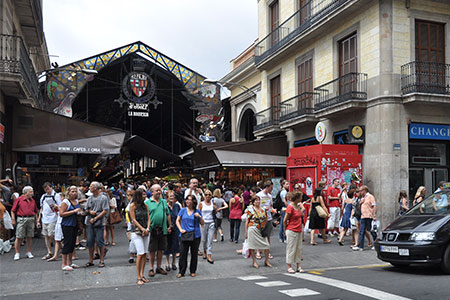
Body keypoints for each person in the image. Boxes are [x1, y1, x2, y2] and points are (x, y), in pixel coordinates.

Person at [145, 184, 172, 277]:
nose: (158, 192)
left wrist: (170, 225)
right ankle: (151, 268)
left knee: (160, 249)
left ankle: (159, 267)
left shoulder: (164, 202)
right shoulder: (147, 203)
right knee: (152, 250)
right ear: (152, 192)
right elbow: (146, 217)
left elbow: (168, 214)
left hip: (163, 229)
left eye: (159, 190)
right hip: (152, 229)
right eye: (156, 190)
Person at [176, 195, 205, 278]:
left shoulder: (197, 211)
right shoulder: (182, 210)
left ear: (193, 201)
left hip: (195, 235)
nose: (187, 201)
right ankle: (181, 271)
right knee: (182, 254)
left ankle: (193, 270)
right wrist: (180, 229)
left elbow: (202, 223)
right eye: (187, 200)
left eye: (189, 200)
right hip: (184, 234)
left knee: (194, 254)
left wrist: (199, 217)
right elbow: (177, 221)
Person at [84, 181, 109, 268]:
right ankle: (90, 260)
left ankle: (101, 260)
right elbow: (86, 210)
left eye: (91, 186)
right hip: (89, 222)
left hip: (99, 222)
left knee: (100, 241)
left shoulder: (103, 198)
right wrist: (89, 211)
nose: (89, 187)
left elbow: (105, 210)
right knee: (90, 241)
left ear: (95, 188)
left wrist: (95, 218)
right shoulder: (90, 198)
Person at [129, 188, 151, 285]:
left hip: (145, 231)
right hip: (136, 232)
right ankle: (138, 276)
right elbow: (133, 219)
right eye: (143, 194)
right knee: (140, 252)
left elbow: (149, 218)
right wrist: (142, 229)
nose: (145, 196)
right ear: (138, 195)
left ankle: (142, 274)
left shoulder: (145, 205)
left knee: (145, 253)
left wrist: (148, 228)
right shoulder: (132, 206)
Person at [11, 186, 39, 260]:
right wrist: (13, 219)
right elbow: (13, 210)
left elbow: (36, 211)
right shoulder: (19, 199)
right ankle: (17, 252)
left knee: (29, 236)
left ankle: (28, 251)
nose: (32, 193)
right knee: (19, 236)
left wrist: (37, 220)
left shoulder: (32, 200)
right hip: (22, 219)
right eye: (30, 192)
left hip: (30, 218)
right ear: (26, 192)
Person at [245, 195, 271, 269]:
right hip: (252, 228)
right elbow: (247, 221)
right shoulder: (250, 209)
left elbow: (266, 218)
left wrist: (264, 225)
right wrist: (246, 232)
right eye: (256, 200)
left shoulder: (263, 209)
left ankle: (266, 261)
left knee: (267, 245)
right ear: (253, 202)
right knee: (252, 246)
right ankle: (254, 261)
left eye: (259, 200)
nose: (258, 202)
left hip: (261, 229)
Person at [59, 186, 82, 271]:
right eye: (72, 191)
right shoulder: (65, 202)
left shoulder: (76, 201)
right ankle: (64, 264)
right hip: (67, 225)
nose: (74, 193)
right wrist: (74, 212)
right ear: (68, 192)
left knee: (72, 244)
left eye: (76, 191)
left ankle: (70, 262)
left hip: (74, 225)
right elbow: (61, 213)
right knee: (67, 243)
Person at [38, 182, 61, 260]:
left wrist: (55, 207)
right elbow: (41, 208)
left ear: (51, 187)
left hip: (53, 218)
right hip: (45, 218)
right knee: (46, 235)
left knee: (52, 235)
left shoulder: (56, 196)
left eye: (48, 188)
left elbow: (60, 206)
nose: (47, 190)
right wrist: (39, 219)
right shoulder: (43, 196)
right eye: (45, 189)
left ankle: (57, 250)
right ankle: (49, 252)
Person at [283, 191, 305, 273]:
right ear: (297, 198)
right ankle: (289, 266)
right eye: (300, 197)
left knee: (298, 248)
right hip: (291, 229)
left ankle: (298, 265)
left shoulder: (297, 206)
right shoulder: (290, 207)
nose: (301, 199)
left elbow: (300, 215)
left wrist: (302, 209)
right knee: (291, 248)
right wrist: (286, 229)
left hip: (298, 229)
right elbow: (285, 220)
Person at [353, 185, 376, 251]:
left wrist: (374, 214)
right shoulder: (363, 197)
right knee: (362, 231)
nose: (360, 192)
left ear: (364, 190)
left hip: (369, 216)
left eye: (361, 191)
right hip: (363, 216)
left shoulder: (370, 197)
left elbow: (374, 205)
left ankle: (375, 242)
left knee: (371, 231)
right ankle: (360, 246)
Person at [256, 180, 275, 258]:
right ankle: (258, 251)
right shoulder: (259, 195)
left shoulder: (270, 196)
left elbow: (271, 206)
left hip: (268, 217)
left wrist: (272, 209)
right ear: (267, 187)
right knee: (259, 234)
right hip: (260, 217)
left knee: (267, 235)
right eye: (271, 188)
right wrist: (263, 209)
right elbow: (255, 206)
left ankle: (267, 251)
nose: (272, 189)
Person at [164, 190, 181, 271]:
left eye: (173, 196)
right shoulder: (165, 206)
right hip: (167, 228)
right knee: (167, 245)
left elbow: (180, 217)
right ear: (167, 197)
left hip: (176, 228)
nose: (171, 198)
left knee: (175, 244)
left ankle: (174, 262)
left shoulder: (177, 206)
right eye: (170, 196)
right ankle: (167, 263)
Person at [199, 189, 216, 264]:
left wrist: (216, 209)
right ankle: (204, 251)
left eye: (209, 194)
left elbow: (216, 211)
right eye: (206, 194)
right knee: (204, 240)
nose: (207, 196)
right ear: (204, 196)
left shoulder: (213, 203)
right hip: (203, 223)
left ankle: (209, 254)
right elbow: (198, 213)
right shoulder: (201, 203)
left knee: (210, 239)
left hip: (211, 222)